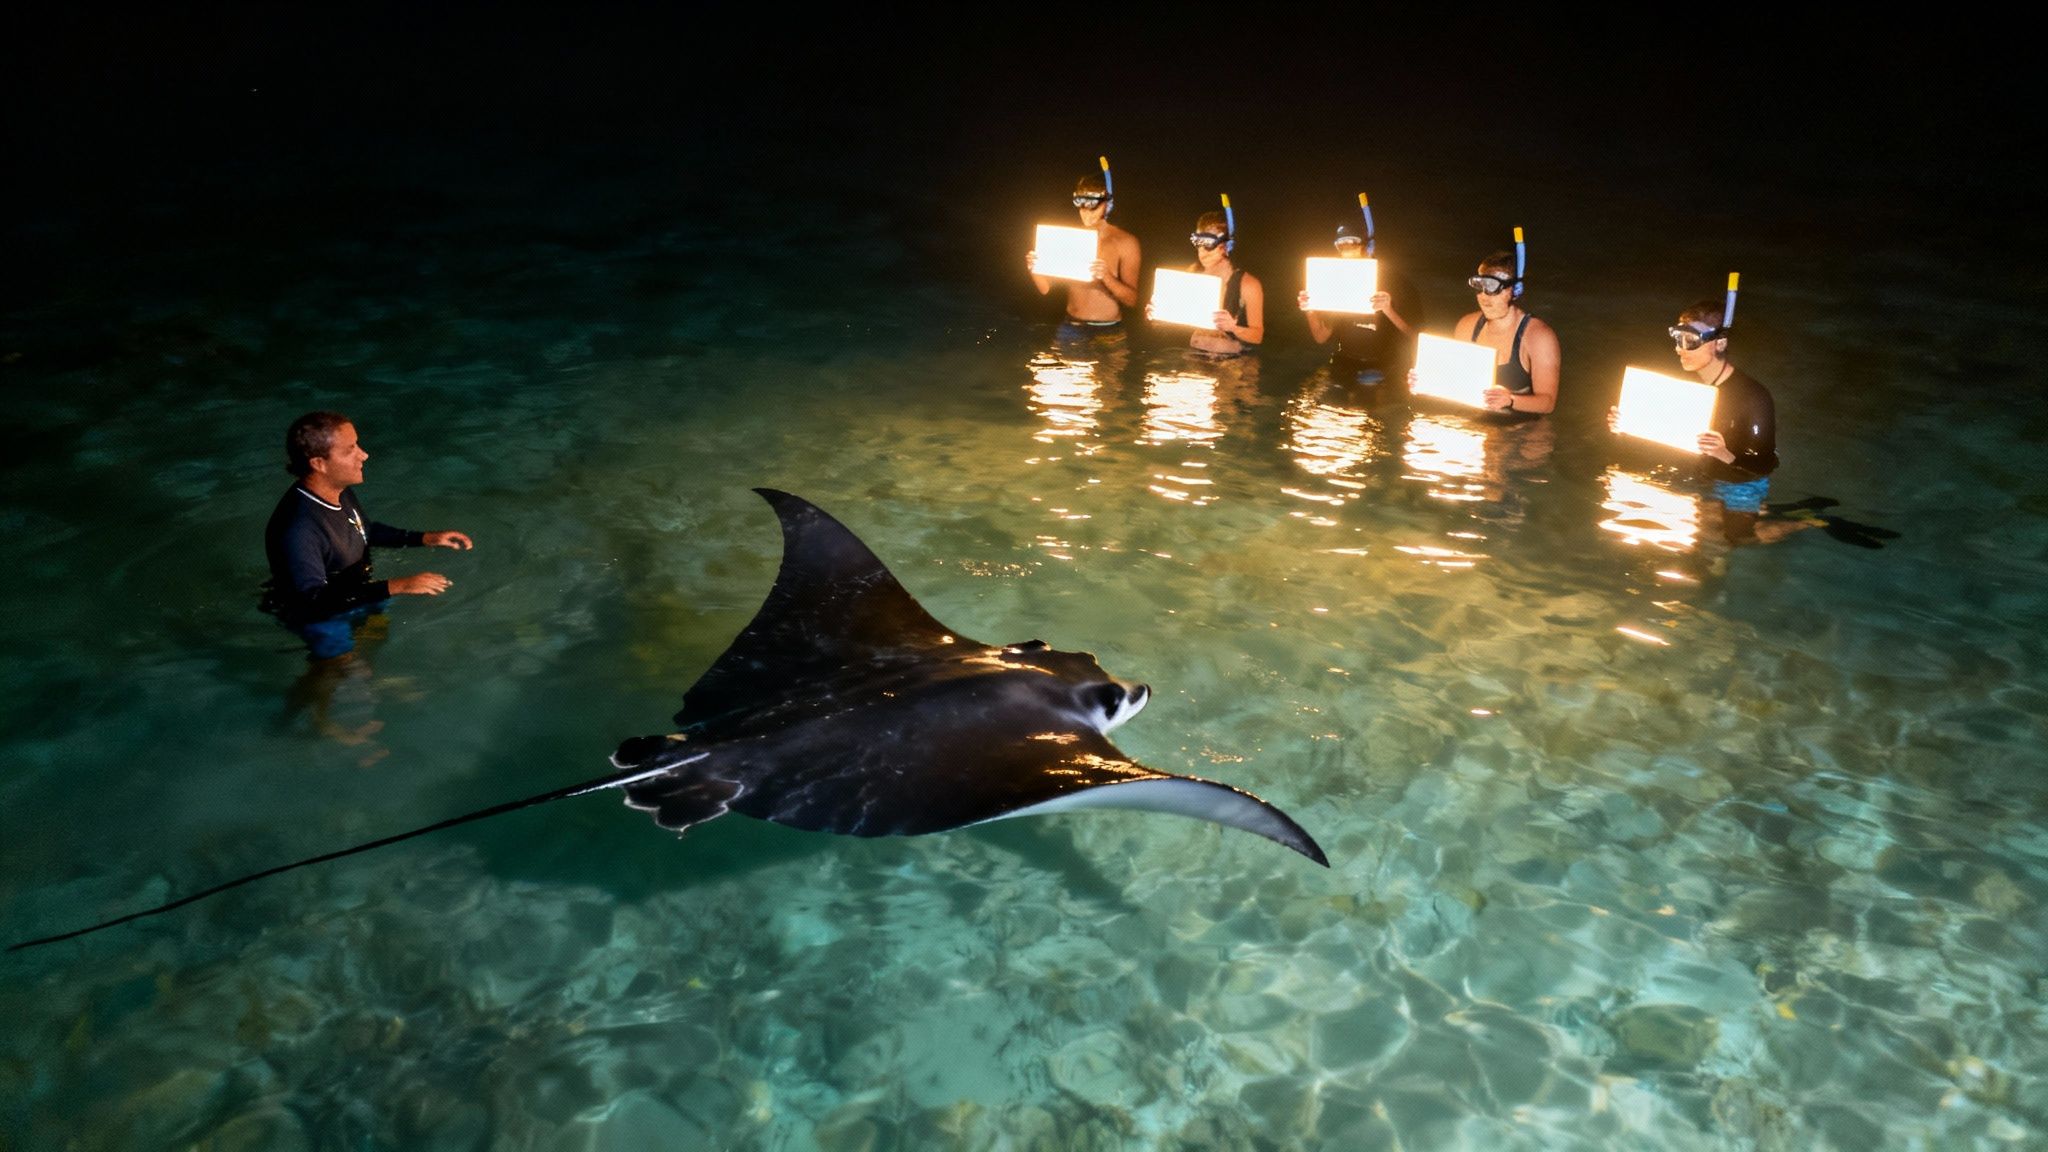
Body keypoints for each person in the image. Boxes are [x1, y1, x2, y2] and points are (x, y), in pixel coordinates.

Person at [261, 411, 473, 661]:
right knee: (339, 675)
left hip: (359, 592)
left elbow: (364, 530)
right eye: (350, 449)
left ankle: (366, 673)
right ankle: (314, 695)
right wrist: (398, 585)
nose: (364, 455)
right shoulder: (298, 529)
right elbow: (312, 601)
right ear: (319, 463)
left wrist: (424, 538)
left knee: (371, 646)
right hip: (322, 617)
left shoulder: (337, 491)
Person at [1650, 300, 1815, 546]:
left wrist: (1724, 453)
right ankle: (1781, 510)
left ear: (1720, 343)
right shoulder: (1691, 388)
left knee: (1739, 538)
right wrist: (1626, 424)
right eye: (1678, 338)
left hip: (1743, 482)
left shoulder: (1754, 397)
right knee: (1700, 527)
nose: (1680, 349)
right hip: (1709, 477)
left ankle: (1810, 522)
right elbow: (1667, 429)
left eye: (1691, 340)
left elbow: (1766, 464)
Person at [1418, 250, 1561, 417]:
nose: (1484, 297)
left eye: (1492, 288)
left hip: (1520, 427)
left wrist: (1511, 400)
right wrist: (1425, 381)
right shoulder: (1467, 326)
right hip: (1473, 420)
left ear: (1514, 291)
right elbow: (1455, 383)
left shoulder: (1538, 336)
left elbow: (1548, 402)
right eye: (1480, 287)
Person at [1298, 223, 1423, 384]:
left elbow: (1416, 336)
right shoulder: (1336, 282)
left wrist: (1388, 309)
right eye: (1341, 246)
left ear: (1366, 246)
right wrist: (1310, 310)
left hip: (1385, 365)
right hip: (1344, 362)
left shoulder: (1396, 282)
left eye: (1353, 243)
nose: (1347, 249)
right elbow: (1321, 337)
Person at [1027, 169, 1141, 343]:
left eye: (1092, 206)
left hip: (1108, 330)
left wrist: (1106, 277)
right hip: (1071, 326)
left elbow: (1132, 300)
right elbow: (1045, 289)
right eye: (1081, 204)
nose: (1086, 212)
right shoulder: (1070, 238)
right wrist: (1034, 268)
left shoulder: (1125, 242)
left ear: (1107, 205)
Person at [1168, 209, 1264, 357]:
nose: (1202, 251)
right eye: (1198, 243)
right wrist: (1157, 312)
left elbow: (1257, 336)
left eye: (1208, 244)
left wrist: (1234, 328)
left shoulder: (1248, 285)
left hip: (1235, 360)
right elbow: (1173, 318)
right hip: (1196, 354)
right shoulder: (1193, 273)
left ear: (1227, 246)